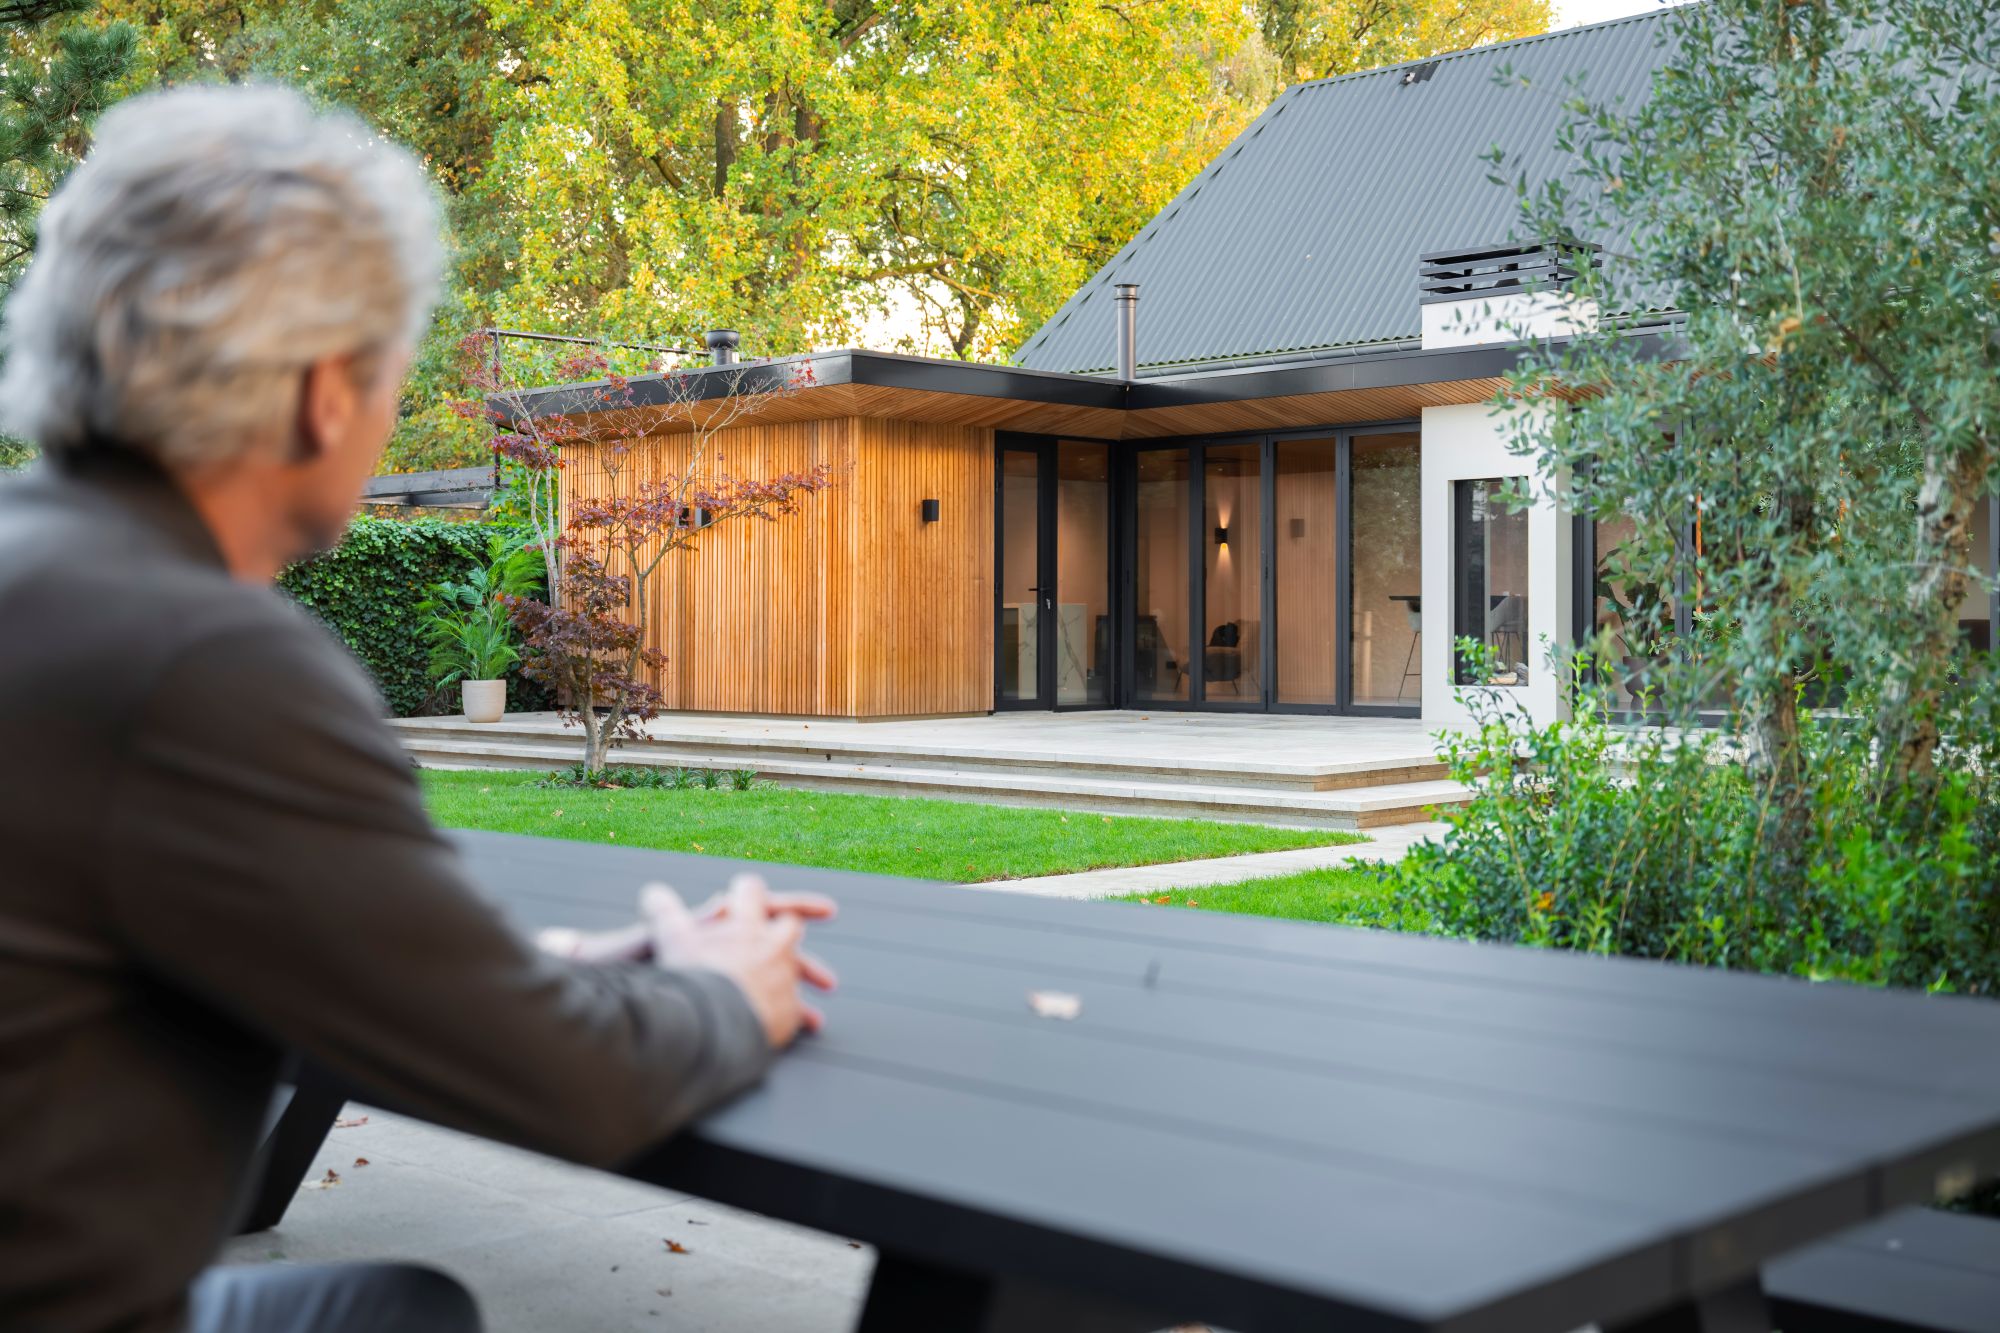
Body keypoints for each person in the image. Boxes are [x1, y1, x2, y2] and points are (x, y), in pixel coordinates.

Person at [0, 84, 835, 1333]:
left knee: (393, 1305)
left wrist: (525, 971)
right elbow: (567, 1091)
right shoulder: (199, 659)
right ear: (324, 392)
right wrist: (722, 991)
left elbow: (171, 925)